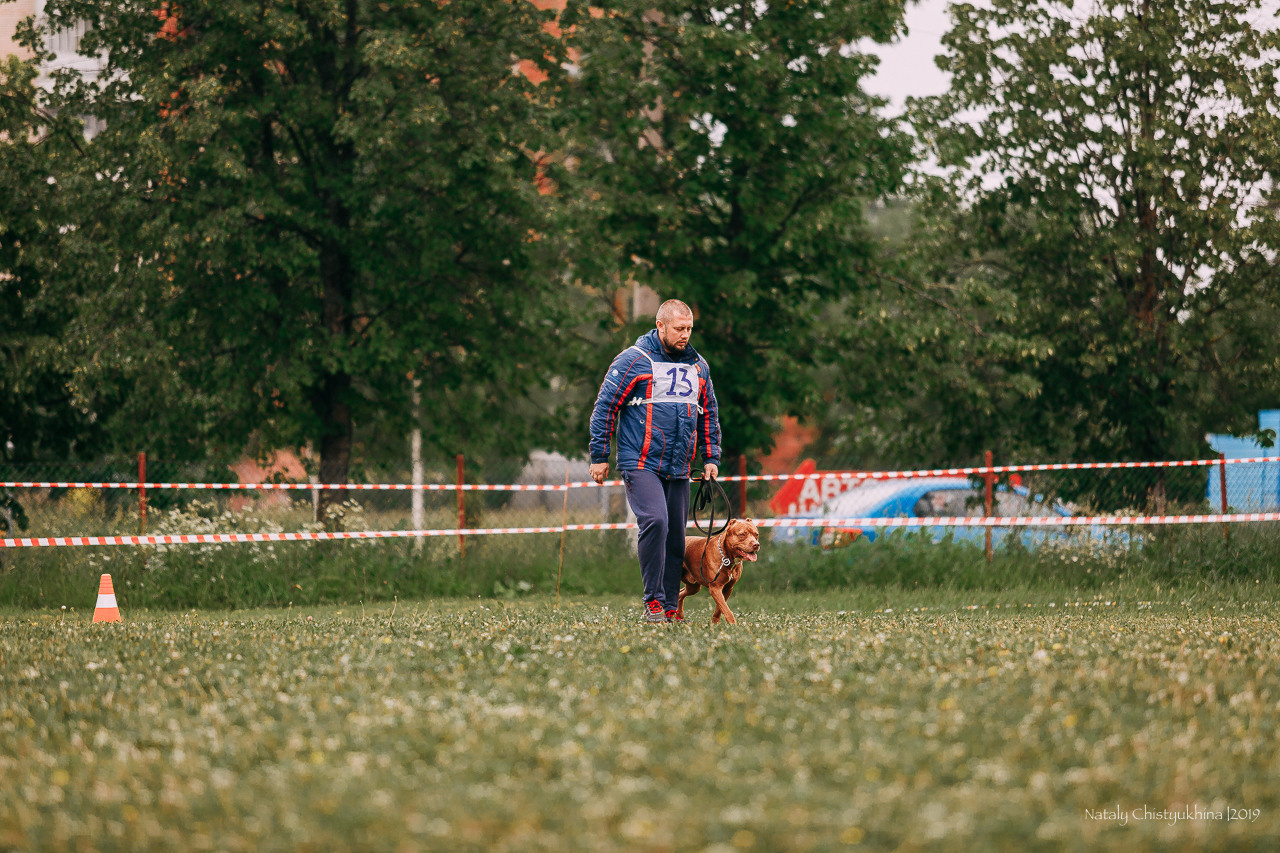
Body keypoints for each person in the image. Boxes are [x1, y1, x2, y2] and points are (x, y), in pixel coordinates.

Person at [589, 299, 722, 623]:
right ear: (660, 326)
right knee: (656, 522)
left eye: (689, 329)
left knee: (676, 534)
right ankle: (653, 603)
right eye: (679, 328)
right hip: (640, 461)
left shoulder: (698, 366)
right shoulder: (634, 360)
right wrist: (600, 455)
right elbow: (605, 407)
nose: (685, 335)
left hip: (678, 465)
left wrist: (711, 456)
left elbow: (709, 413)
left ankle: (671, 605)